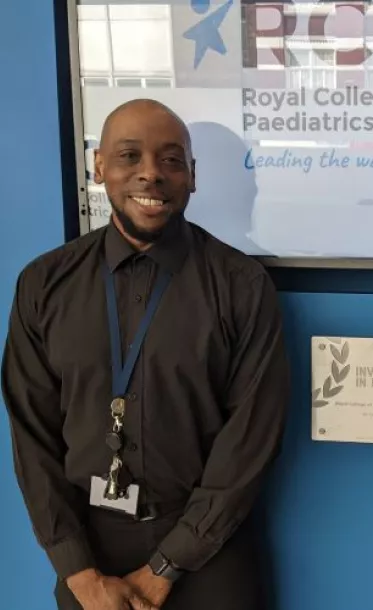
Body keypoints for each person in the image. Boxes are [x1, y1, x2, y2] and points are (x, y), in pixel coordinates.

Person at [2, 99, 290, 610]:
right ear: (99, 167)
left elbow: (250, 442)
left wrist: (166, 568)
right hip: (89, 556)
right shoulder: (44, 285)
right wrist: (81, 574)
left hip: (209, 553)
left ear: (193, 176)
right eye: (129, 156)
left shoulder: (241, 286)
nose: (150, 175)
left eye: (171, 160)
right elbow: (32, 437)